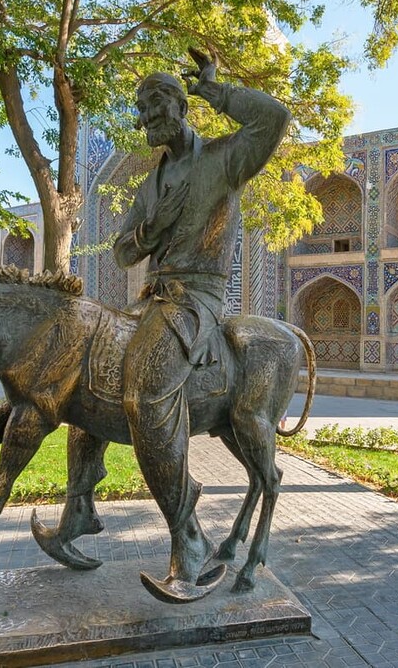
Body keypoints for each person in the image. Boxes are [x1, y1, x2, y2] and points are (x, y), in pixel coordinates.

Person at [113, 48, 290, 587]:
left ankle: (187, 537)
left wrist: (215, 90)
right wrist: (150, 230)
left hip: (198, 298)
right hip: (155, 297)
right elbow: (122, 251)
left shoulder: (223, 159)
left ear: (175, 106)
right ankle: (78, 510)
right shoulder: (150, 185)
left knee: (147, 390)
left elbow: (275, 118)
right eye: (140, 111)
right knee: (88, 371)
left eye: (150, 108)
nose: (143, 120)